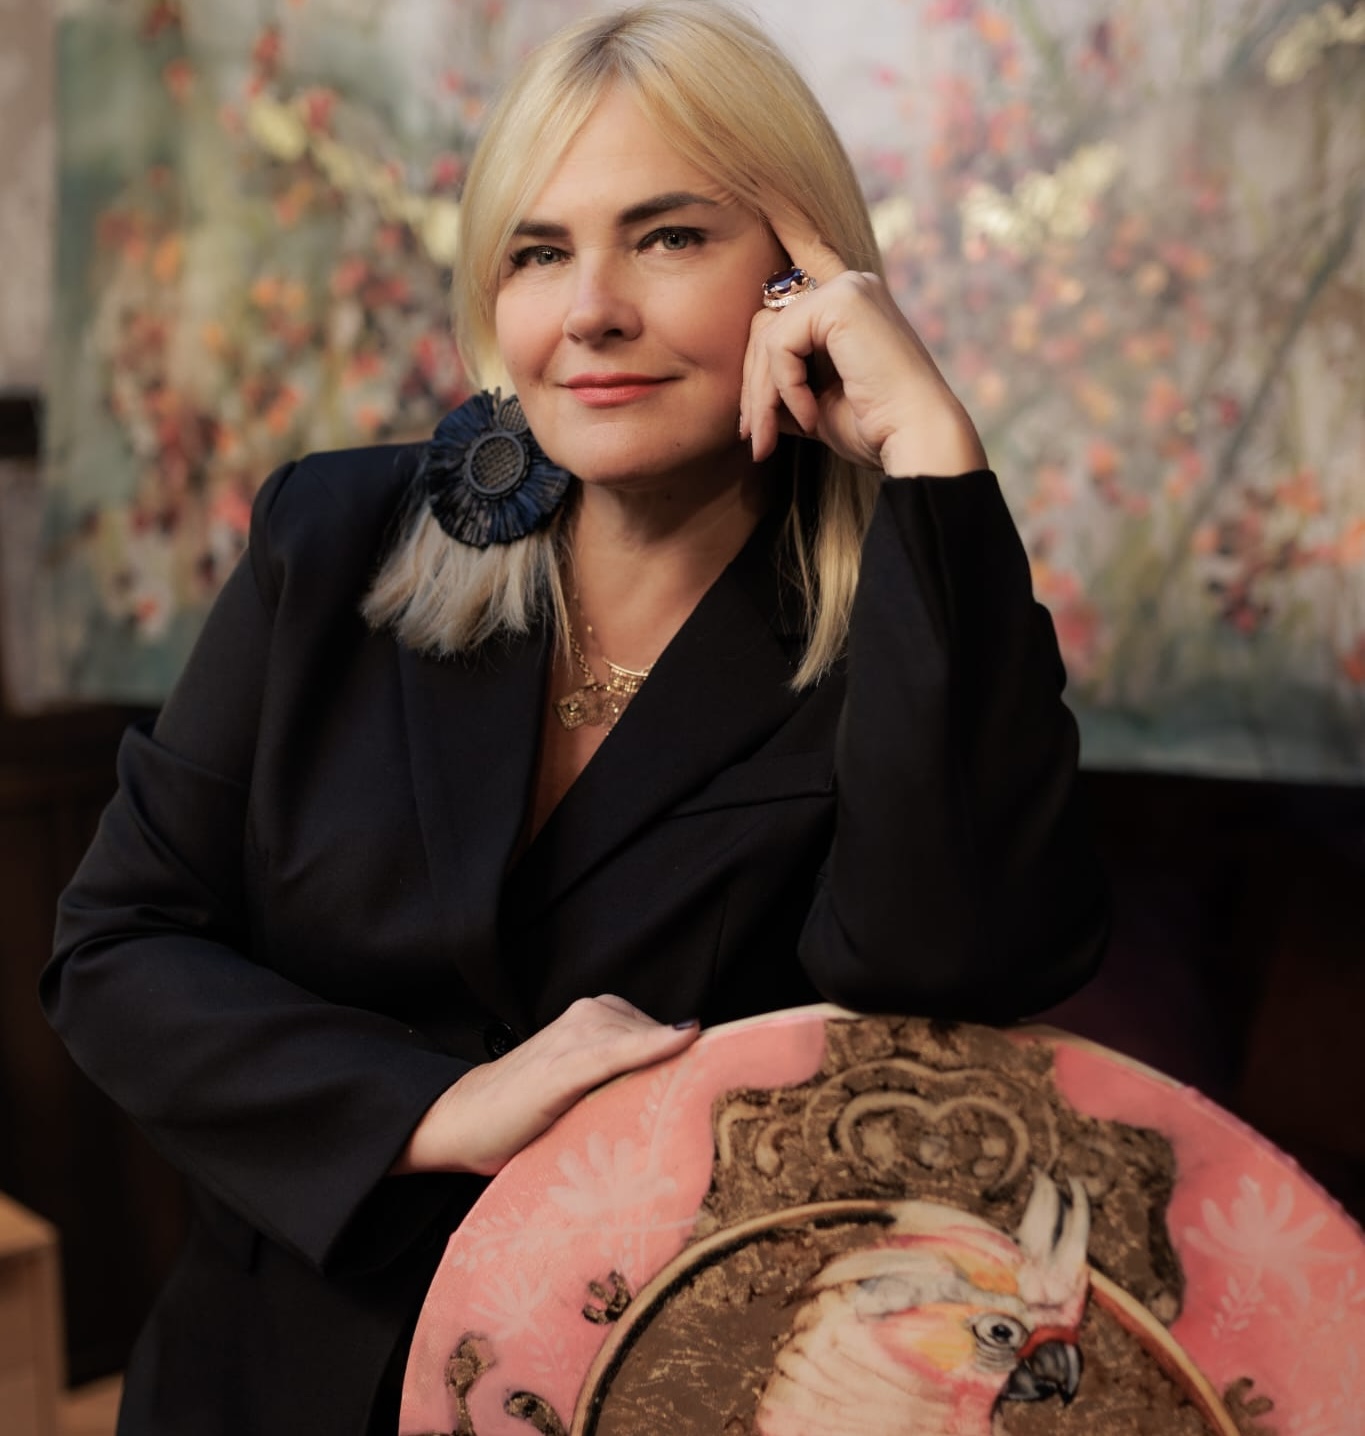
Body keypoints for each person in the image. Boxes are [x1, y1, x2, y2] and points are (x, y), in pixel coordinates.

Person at [41, 3, 1108, 1432]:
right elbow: (116, 946)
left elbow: (950, 972)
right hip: (262, 1380)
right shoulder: (332, 536)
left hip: (642, 1395)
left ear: (801, 277)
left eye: (667, 238)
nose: (590, 309)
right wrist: (434, 1108)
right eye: (538, 252)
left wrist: (928, 454)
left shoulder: (907, 638)